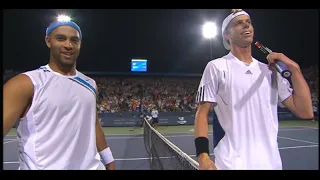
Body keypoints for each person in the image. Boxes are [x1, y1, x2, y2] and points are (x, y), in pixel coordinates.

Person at [194, 9, 313, 170]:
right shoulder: (216, 67)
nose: (246, 25)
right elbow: (202, 112)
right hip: (230, 164)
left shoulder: (271, 71)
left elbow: (305, 112)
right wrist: (203, 156)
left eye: (248, 22)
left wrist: (295, 68)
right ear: (227, 35)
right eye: (238, 23)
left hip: (271, 165)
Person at [3, 18, 116, 170]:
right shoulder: (25, 83)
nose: (68, 45)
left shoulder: (90, 84)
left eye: (74, 40)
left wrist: (109, 161)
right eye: (61, 38)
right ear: (48, 41)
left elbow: (93, 123)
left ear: (80, 45)